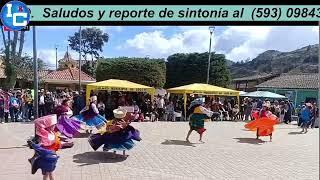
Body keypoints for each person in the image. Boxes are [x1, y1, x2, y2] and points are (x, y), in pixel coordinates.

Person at [27, 115, 67, 180]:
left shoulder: (52, 132)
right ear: (49, 126)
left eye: (55, 125)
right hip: (46, 157)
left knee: (50, 173)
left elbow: (57, 142)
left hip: (51, 156)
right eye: (53, 125)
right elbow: (42, 144)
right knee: (47, 173)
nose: (54, 126)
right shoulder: (44, 134)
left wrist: (64, 143)